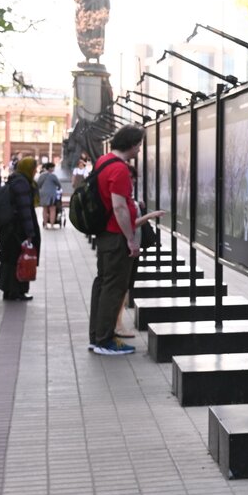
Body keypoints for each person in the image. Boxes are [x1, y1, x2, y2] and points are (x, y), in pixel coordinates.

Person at [87, 125, 164, 356]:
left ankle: (98, 337)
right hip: (116, 237)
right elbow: (119, 207)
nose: (139, 150)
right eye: (139, 145)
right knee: (114, 288)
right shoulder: (120, 170)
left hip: (105, 235)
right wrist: (131, 240)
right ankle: (105, 341)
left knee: (103, 284)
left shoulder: (104, 161)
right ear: (131, 145)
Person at [0, 157, 39, 301]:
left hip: (10, 227)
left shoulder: (16, 179)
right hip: (18, 228)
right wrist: (30, 232)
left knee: (11, 259)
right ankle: (16, 291)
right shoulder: (22, 183)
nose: (35, 171)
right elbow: (25, 210)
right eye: (34, 168)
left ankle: (9, 290)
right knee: (19, 259)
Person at [36, 162, 62, 227]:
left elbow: (38, 184)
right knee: (52, 209)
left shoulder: (41, 175)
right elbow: (58, 185)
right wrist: (58, 188)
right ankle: (52, 225)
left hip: (43, 194)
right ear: (50, 168)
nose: (54, 169)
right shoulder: (53, 176)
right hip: (51, 194)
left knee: (45, 209)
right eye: (53, 167)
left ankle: (45, 224)